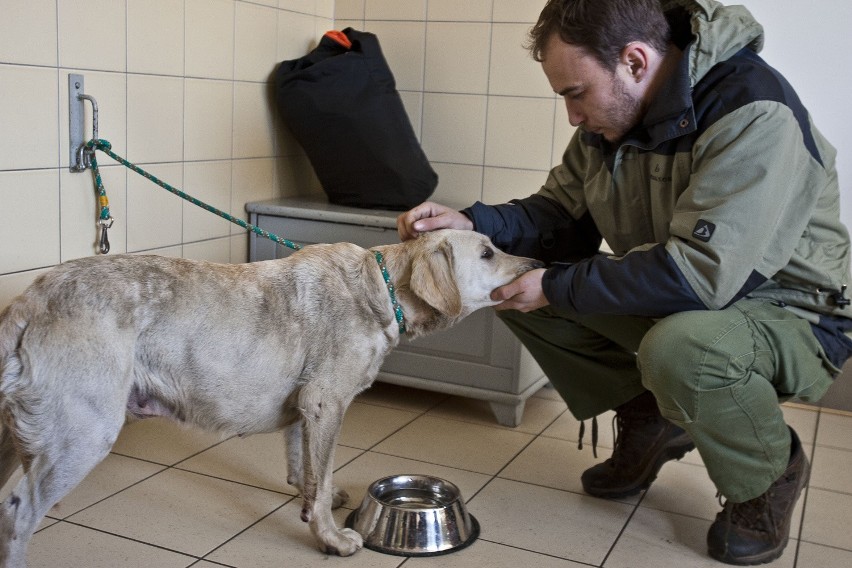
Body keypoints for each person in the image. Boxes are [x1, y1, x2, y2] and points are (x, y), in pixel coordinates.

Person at [397, 0, 851, 564]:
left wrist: (558, 285)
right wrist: (473, 222)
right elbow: (558, 216)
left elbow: (701, 275)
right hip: (696, 294)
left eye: (574, 93)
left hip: (791, 311)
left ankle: (767, 471)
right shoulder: (613, 119)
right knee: (513, 285)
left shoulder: (753, 112)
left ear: (634, 62)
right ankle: (650, 416)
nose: (571, 116)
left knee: (683, 348)